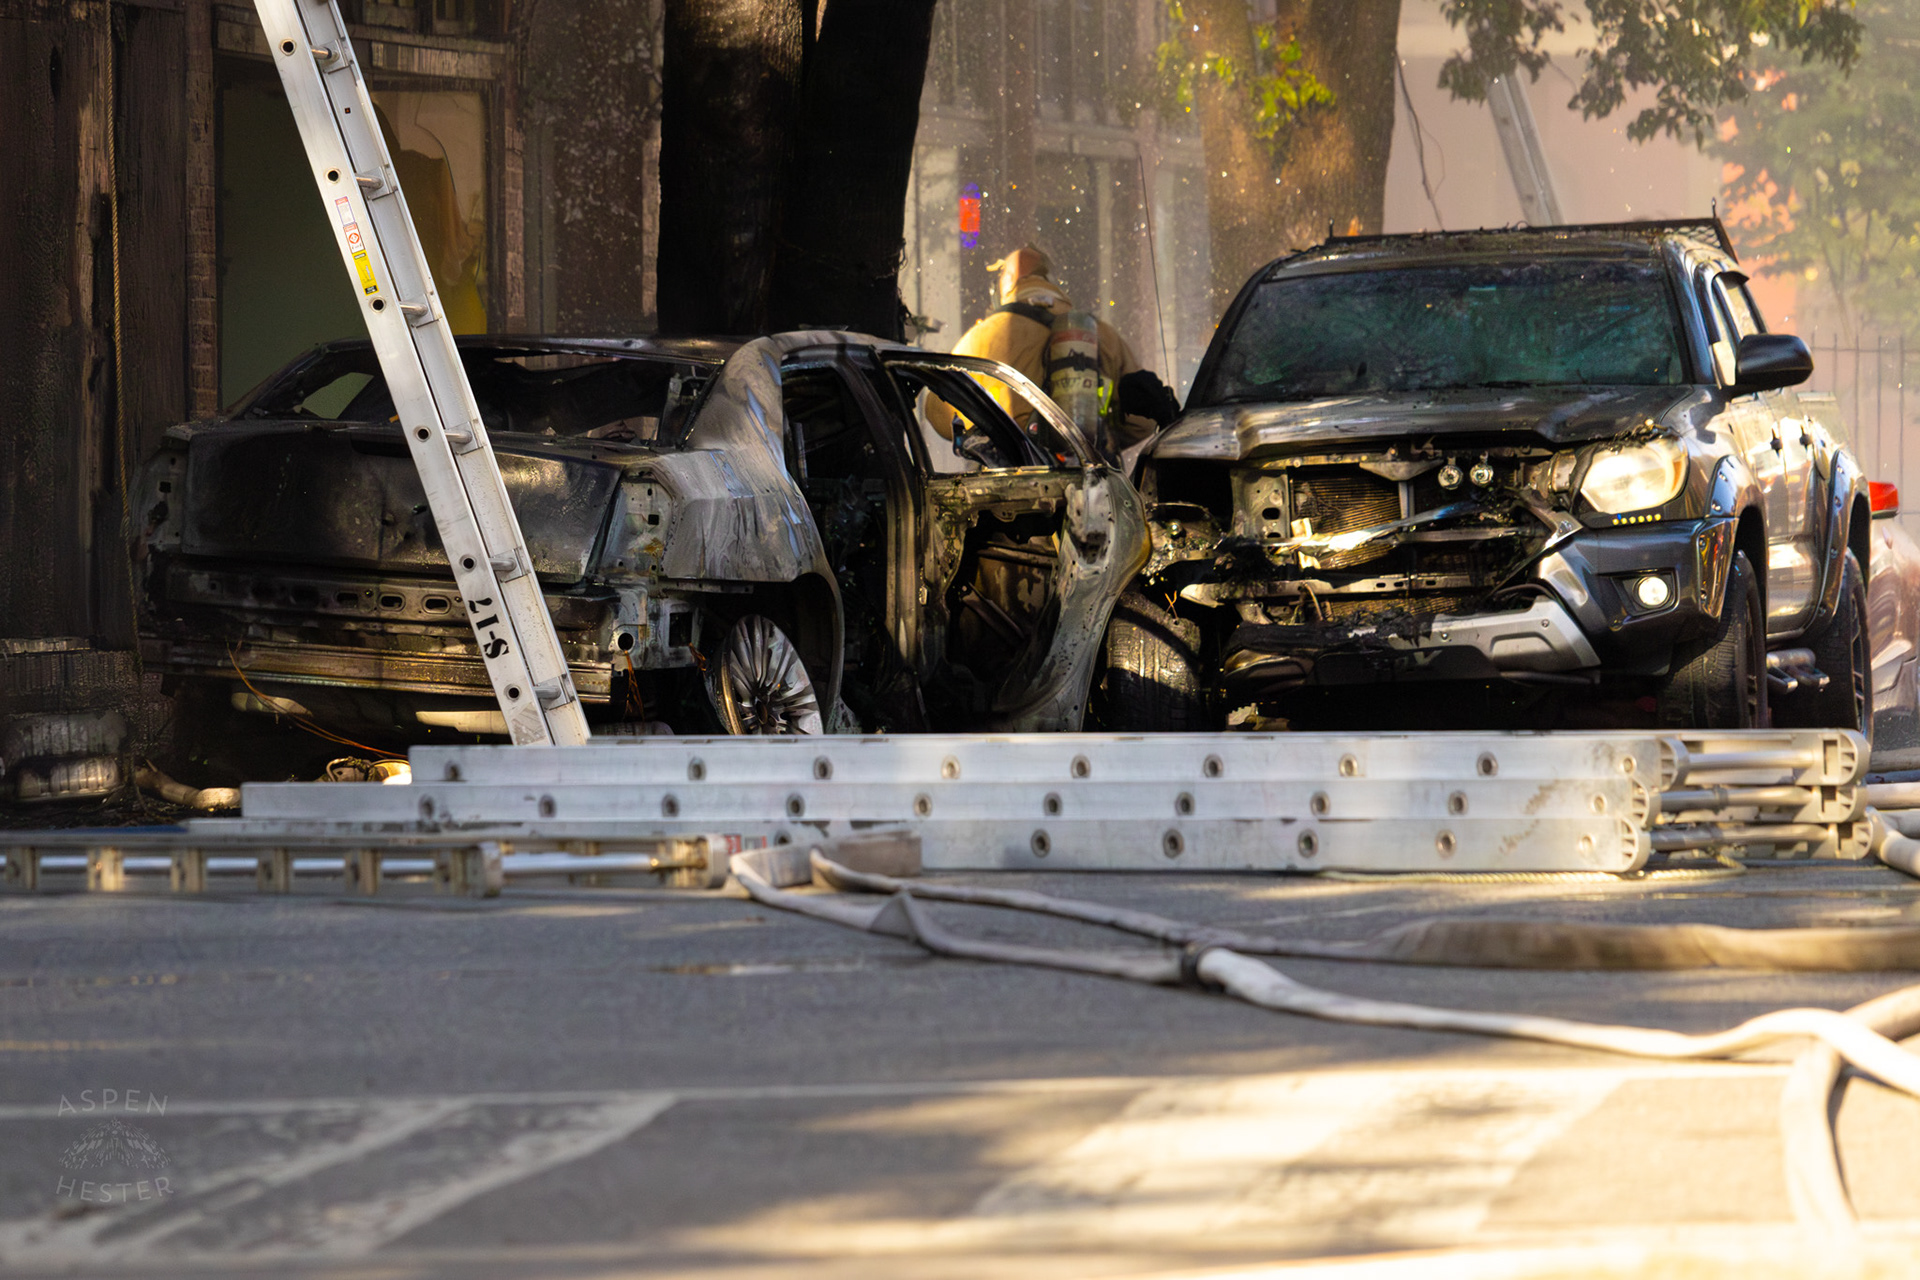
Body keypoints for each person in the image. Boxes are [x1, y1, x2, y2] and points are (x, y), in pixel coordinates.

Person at [936, 244, 1179, 457]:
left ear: (1004, 284)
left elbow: (938, 413)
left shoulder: (982, 337)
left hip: (1007, 484)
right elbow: (1142, 422)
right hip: (1090, 482)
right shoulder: (1098, 333)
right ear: (1051, 280)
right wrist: (1098, 441)